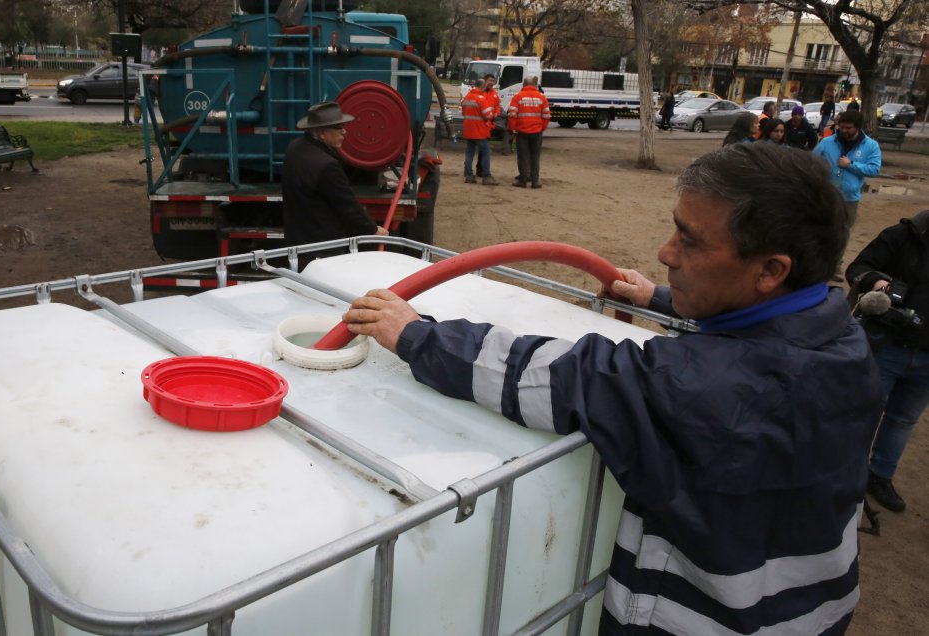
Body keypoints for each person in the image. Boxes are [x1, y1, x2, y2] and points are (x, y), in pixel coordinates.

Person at [342, 143, 881, 635]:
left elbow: (558, 375)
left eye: (689, 240)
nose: (666, 253)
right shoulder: (845, 341)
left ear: (770, 269)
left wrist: (414, 334)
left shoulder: (697, 391)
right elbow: (764, 332)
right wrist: (662, 300)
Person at [846, 209, 929, 513]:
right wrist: (877, 282)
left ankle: (880, 477)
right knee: (860, 414)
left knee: (903, 419)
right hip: (887, 347)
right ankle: (844, 478)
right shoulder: (904, 235)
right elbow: (857, 268)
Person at [282, 102, 388, 252]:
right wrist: (373, 230)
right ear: (322, 132)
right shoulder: (327, 166)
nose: (344, 132)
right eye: (339, 128)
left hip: (296, 244)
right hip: (322, 248)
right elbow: (348, 206)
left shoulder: (294, 149)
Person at [813, 109, 881, 227]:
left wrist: (851, 165)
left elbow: (874, 169)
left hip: (850, 200)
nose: (843, 130)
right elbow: (811, 163)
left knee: (843, 233)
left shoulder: (871, 146)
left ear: (858, 127)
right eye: (841, 126)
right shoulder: (827, 142)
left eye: (848, 128)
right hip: (827, 197)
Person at [506, 76, 551, 189]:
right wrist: (542, 128)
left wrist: (513, 128)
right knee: (535, 156)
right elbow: (546, 115)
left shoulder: (517, 97)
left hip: (522, 131)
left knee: (523, 156)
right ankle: (535, 181)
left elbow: (512, 115)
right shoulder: (542, 97)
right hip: (537, 131)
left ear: (523, 85)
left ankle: (523, 180)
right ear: (534, 85)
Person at [461, 78, 497, 185]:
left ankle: (469, 175)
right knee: (485, 152)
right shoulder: (481, 99)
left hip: (468, 130)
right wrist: (492, 115)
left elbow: (464, 112)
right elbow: (488, 115)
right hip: (479, 130)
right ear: (482, 86)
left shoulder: (466, 97)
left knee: (469, 152)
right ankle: (487, 176)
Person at [477, 74, 506, 175]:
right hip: (480, 124)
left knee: (483, 148)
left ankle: (480, 169)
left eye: (493, 81)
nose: (491, 83)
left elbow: (497, 106)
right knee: (482, 148)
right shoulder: (480, 93)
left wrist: (496, 114)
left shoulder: (494, 94)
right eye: (490, 80)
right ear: (485, 81)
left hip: (490, 124)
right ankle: (480, 170)